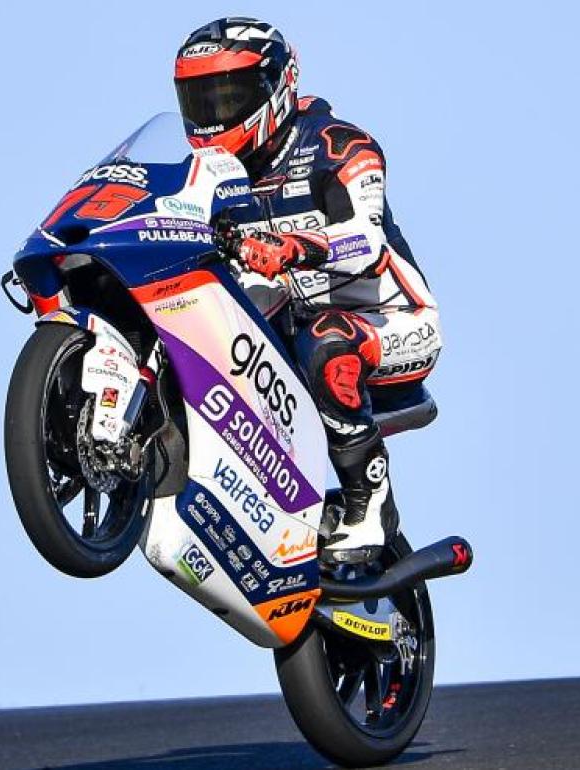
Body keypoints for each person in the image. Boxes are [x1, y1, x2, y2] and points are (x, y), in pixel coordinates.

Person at [173, 17, 442, 564]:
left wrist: (295, 247)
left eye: (227, 95)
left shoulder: (339, 146)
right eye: (199, 99)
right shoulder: (208, 177)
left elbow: (366, 243)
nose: (213, 114)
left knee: (326, 337)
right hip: (287, 323)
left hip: (390, 321)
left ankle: (371, 502)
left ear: (277, 84)